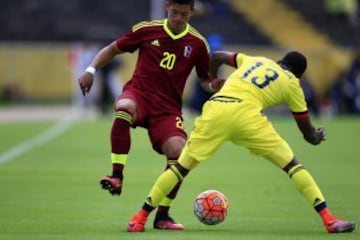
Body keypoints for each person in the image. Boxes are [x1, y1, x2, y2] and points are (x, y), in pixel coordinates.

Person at [126, 50, 357, 233]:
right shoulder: (293, 84)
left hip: (217, 108)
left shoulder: (255, 59)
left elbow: (216, 56)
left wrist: (214, 79)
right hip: (247, 116)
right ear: (298, 74)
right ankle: (329, 220)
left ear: (279, 61)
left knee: (180, 168)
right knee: (292, 165)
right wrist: (316, 136)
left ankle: (139, 218)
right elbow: (306, 131)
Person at [78, 0, 224, 231]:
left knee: (180, 153)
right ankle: (117, 175)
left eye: (183, 14)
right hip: (140, 95)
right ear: (167, 6)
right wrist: (90, 70)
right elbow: (112, 49)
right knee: (124, 107)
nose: (177, 18)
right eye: (174, 12)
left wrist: (213, 85)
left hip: (167, 110)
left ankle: (163, 216)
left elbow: (204, 79)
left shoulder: (197, 43)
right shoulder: (147, 29)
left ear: (192, 13)